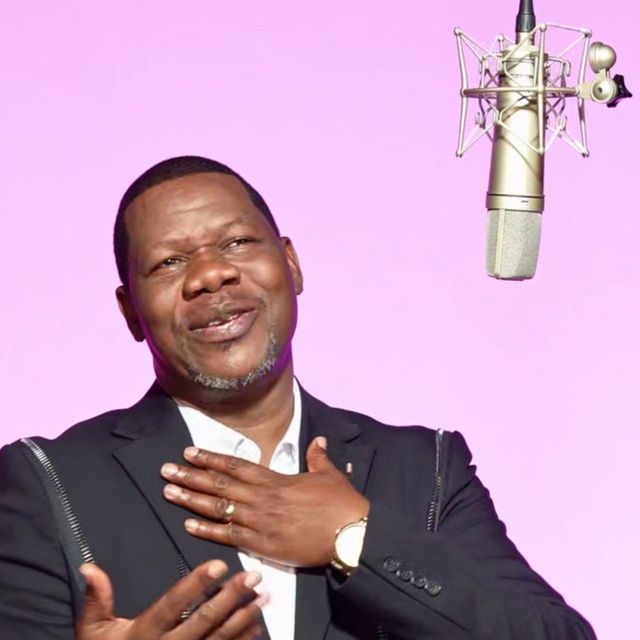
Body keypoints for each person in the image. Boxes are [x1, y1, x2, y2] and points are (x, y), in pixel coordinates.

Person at [0, 156, 597, 640]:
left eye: (237, 242)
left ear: (291, 265)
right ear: (131, 311)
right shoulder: (47, 483)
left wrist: (356, 536)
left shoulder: (426, 469)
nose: (210, 275)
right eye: (169, 262)